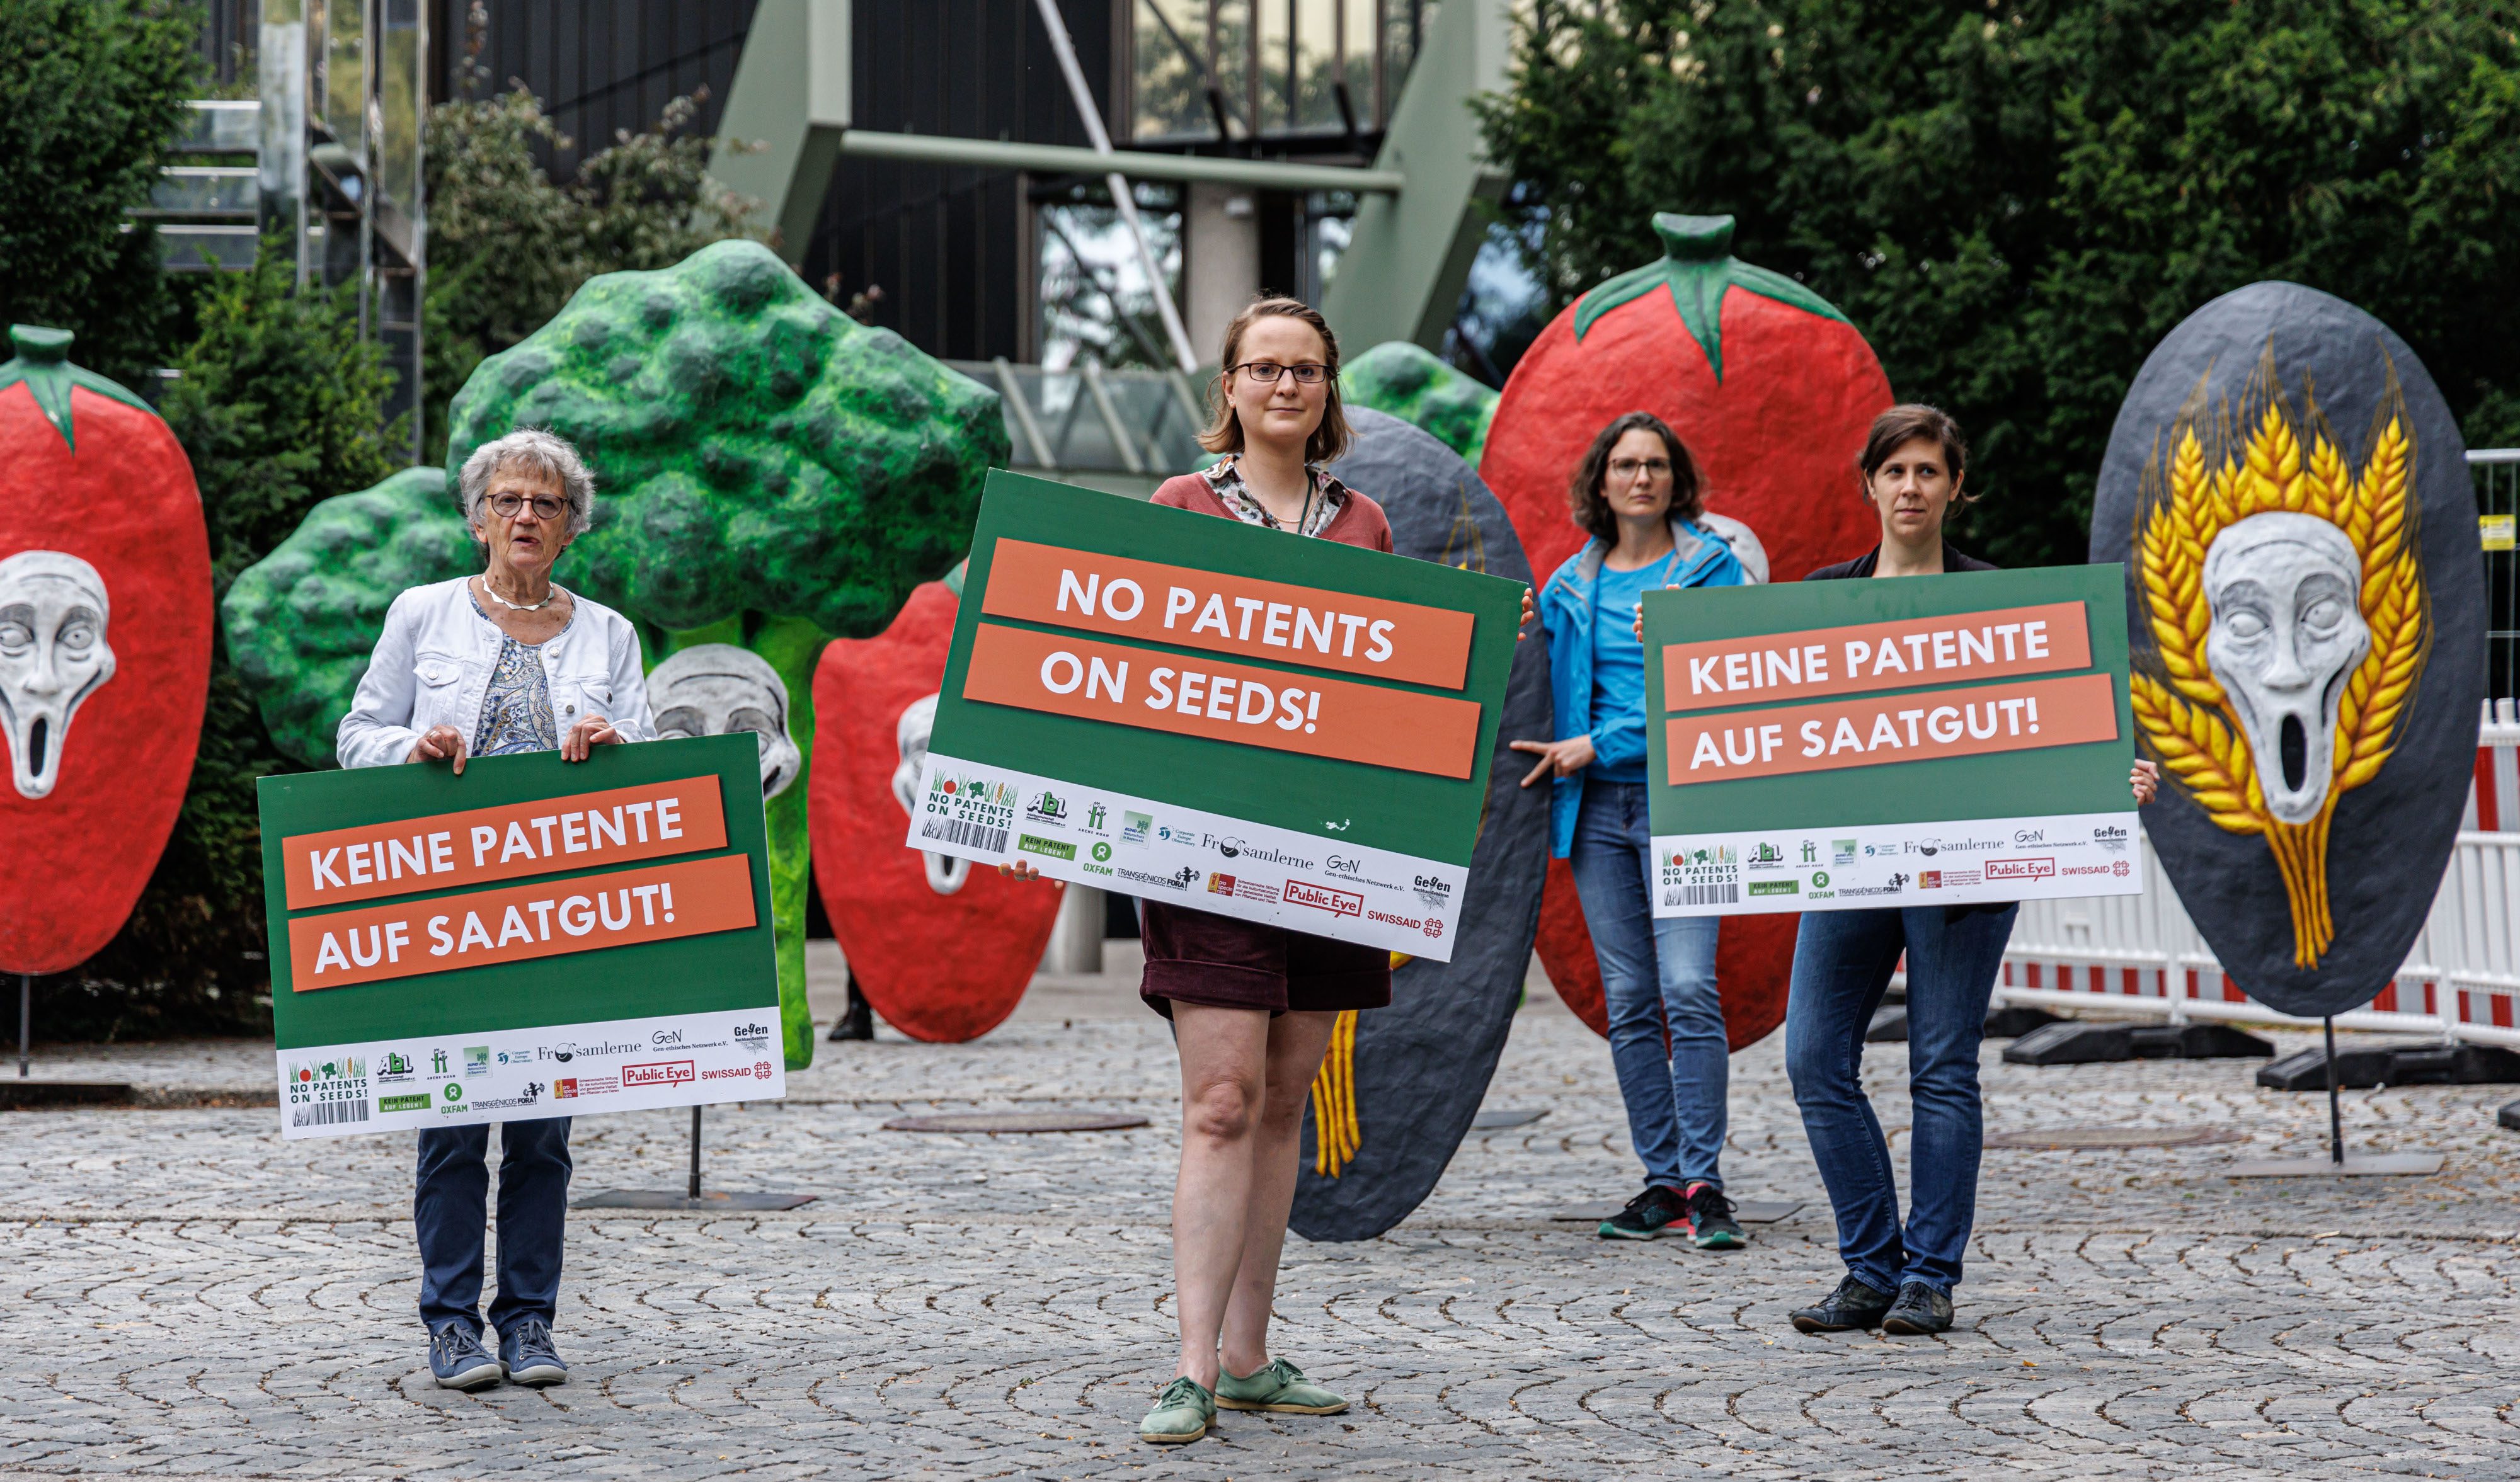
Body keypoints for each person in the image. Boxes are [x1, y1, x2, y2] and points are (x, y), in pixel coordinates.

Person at [1782, 404, 2158, 1337]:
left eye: (1928, 472)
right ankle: (1870, 1267)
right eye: (1895, 471)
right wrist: (1673, 650)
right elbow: (1761, 725)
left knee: (1942, 1065)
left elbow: (2061, 726)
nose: (1910, 487)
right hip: (1855, 862)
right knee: (1813, 1056)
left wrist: (2116, 774)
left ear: (1957, 487)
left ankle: (1929, 1276)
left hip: (1967, 868)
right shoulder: (1822, 598)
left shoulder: (2007, 604)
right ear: (1867, 483)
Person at [336, 428, 656, 1391]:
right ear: (477, 517)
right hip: (453, 906)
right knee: (451, 1119)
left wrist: (619, 744)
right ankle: (451, 1325)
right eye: (508, 499)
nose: (525, 516)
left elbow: (650, 764)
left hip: (565, 914)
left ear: (569, 528)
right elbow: (356, 733)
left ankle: (527, 1322)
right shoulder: (422, 613)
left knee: (544, 1131)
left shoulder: (611, 634)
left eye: (545, 504)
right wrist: (412, 751)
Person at [1511, 413, 1754, 1248]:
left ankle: (1706, 1181)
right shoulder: (1570, 585)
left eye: (1655, 464)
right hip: (1595, 813)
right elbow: (1534, 674)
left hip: (1684, 805)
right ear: (1601, 482)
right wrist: (1511, 630)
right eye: (1625, 464)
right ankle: (1663, 1181)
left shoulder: (1712, 571)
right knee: (1628, 1000)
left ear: (1674, 479)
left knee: (1688, 987)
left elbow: (1721, 694)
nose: (1641, 478)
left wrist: (1599, 743)